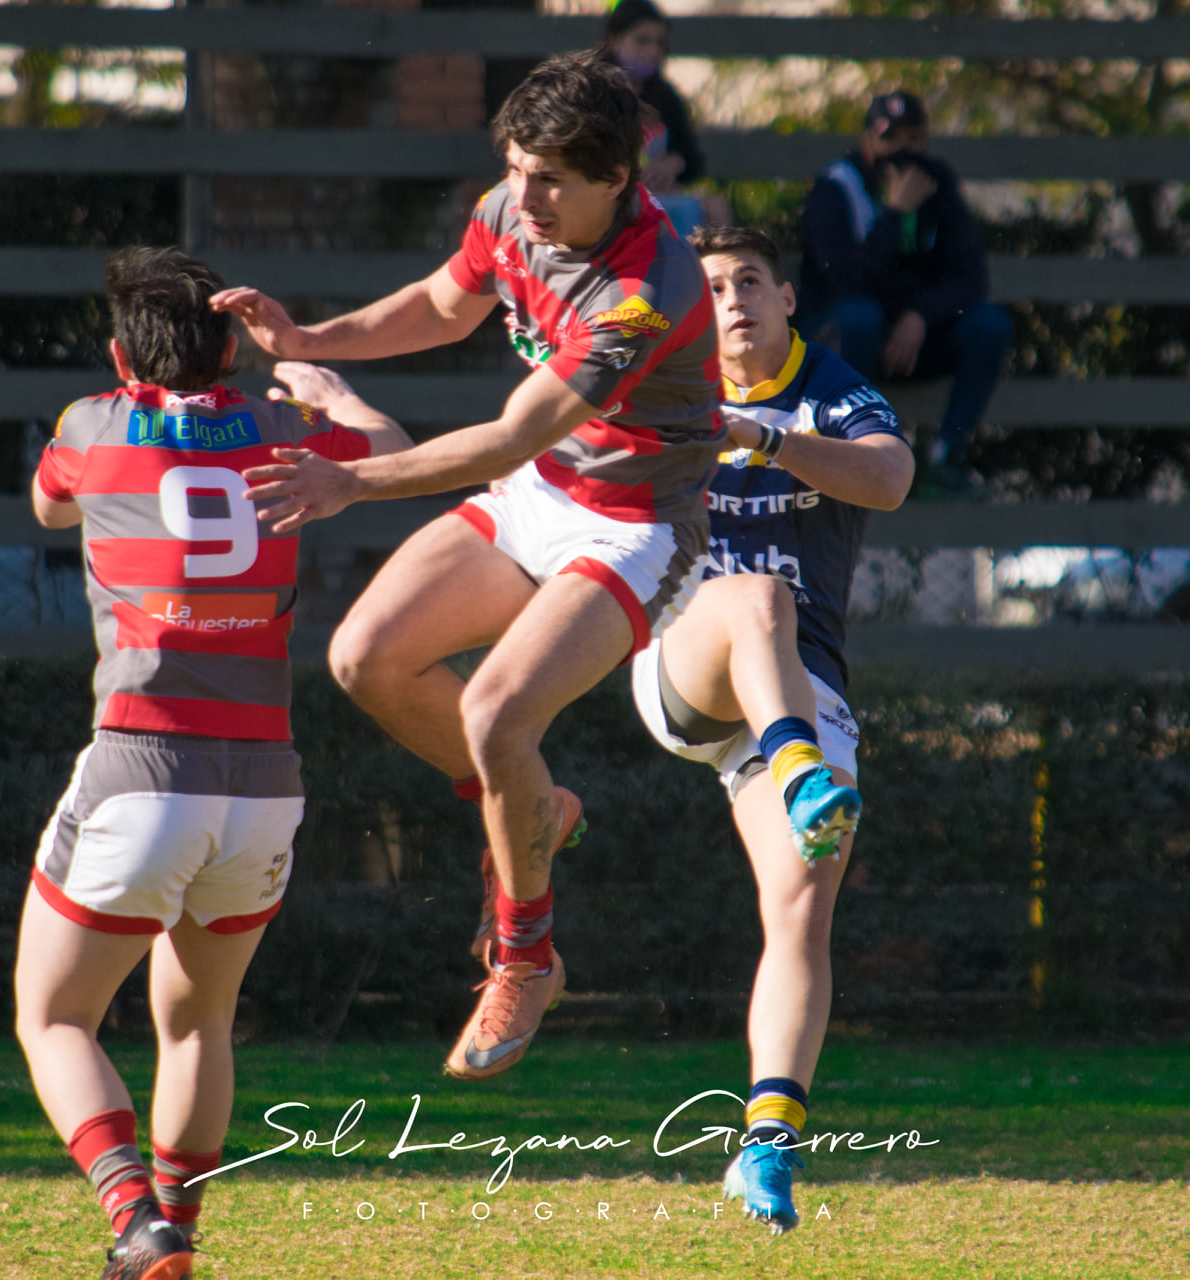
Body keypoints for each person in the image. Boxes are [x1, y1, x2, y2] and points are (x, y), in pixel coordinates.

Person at [214, 53, 850, 1082]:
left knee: (496, 716)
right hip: (542, 492)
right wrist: (306, 334)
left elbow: (510, 434)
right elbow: (443, 301)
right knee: (364, 657)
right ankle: (534, 808)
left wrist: (353, 484)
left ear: (617, 179)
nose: (525, 196)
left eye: (550, 178)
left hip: (634, 524)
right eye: (515, 168)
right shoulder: (514, 207)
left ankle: (526, 954)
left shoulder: (646, 292)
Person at [15, 247, 409, 1280]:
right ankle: (175, 1239)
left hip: (141, 762)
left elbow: (48, 505)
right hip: (264, 779)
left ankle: (133, 1216)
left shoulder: (91, 425)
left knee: (52, 1012)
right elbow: (388, 451)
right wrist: (328, 385)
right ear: (231, 345)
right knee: (197, 1021)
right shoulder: (285, 428)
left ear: (115, 351)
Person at [635, 224, 913, 1232]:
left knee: (799, 902)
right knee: (751, 594)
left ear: (787, 297)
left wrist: (759, 435)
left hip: (800, 688)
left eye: (748, 281)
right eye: (708, 287)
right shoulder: (664, 390)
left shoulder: (829, 388)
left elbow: (886, 478)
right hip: (686, 665)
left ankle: (766, 1144)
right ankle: (799, 770)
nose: (731, 300)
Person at [798, 91, 1013, 498]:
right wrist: (894, 215)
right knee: (859, 316)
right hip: (844, 337)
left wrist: (920, 315)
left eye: (913, 138)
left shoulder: (939, 184)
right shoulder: (834, 190)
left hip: (915, 337)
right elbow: (843, 281)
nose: (902, 150)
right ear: (867, 142)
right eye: (889, 137)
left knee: (990, 324)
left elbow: (969, 278)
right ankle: (854, 453)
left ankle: (947, 456)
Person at [599, 0, 710, 238]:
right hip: (611, 196)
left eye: (659, 43)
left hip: (660, 195)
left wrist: (671, 165)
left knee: (713, 208)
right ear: (614, 39)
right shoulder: (595, 91)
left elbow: (692, 160)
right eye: (642, 41)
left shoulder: (664, 95)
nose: (653, 51)